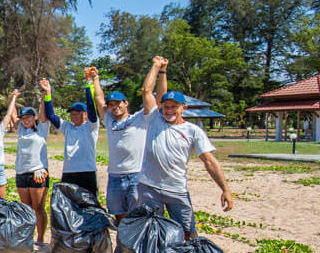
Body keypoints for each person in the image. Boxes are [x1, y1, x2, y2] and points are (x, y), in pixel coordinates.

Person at [138, 56, 234, 240]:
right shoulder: (155, 119)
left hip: (176, 188)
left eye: (174, 107)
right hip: (149, 187)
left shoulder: (193, 131)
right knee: (151, 231)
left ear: (184, 108)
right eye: (166, 106)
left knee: (189, 232)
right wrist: (157, 68)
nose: (169, 110)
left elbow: (209, 161)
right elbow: (147, 90)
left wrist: (225, 189)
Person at [91, 68, 165, 222]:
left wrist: (160, 70)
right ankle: (124, 244)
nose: (114, 107)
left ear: (126, 103)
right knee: (119, 216)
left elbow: (156, 97)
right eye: (111, 104)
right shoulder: (109, 119)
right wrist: (95, 78)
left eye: (118, 103)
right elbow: (98, 98)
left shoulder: (140, 118)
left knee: (137, 215)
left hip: (136, 175)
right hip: (115, 176)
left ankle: (137, 245)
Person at [40, 78, 100, 197]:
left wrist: (89, 85)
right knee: (68, 206)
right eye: (72, 113)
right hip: (69, 172)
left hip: (87, 172)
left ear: (85, 114)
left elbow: (91, 106)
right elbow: (51, 115)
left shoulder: (91, 126)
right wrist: (48, 93)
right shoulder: (67, 127)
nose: (73, 116)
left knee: (90, 206)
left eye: (77, 113)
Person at [12, 93, 50, 244]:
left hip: (38, 173)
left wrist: (44, 97)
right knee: (26, 209)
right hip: (21, 173)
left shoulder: (42, 129)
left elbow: (44, 114)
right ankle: (28, 238)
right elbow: (13, 114)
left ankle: (40, 239)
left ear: (34, 117)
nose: (25, 119)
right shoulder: (21, 130)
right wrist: (13, 98)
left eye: (29, 116)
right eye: (23, 117)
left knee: (39, 208)